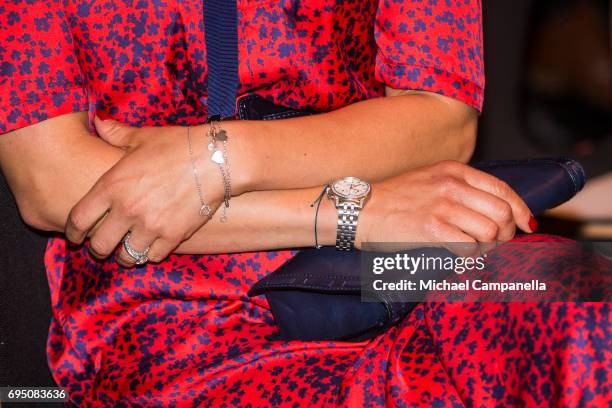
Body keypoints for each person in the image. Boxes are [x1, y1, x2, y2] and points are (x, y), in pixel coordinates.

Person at [0, 0, 607, 406]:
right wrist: (355, 212)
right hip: (167, 308)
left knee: (586, 326)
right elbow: (55, 183)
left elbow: (441, 118)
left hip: (406, 258)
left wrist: (220, 158)